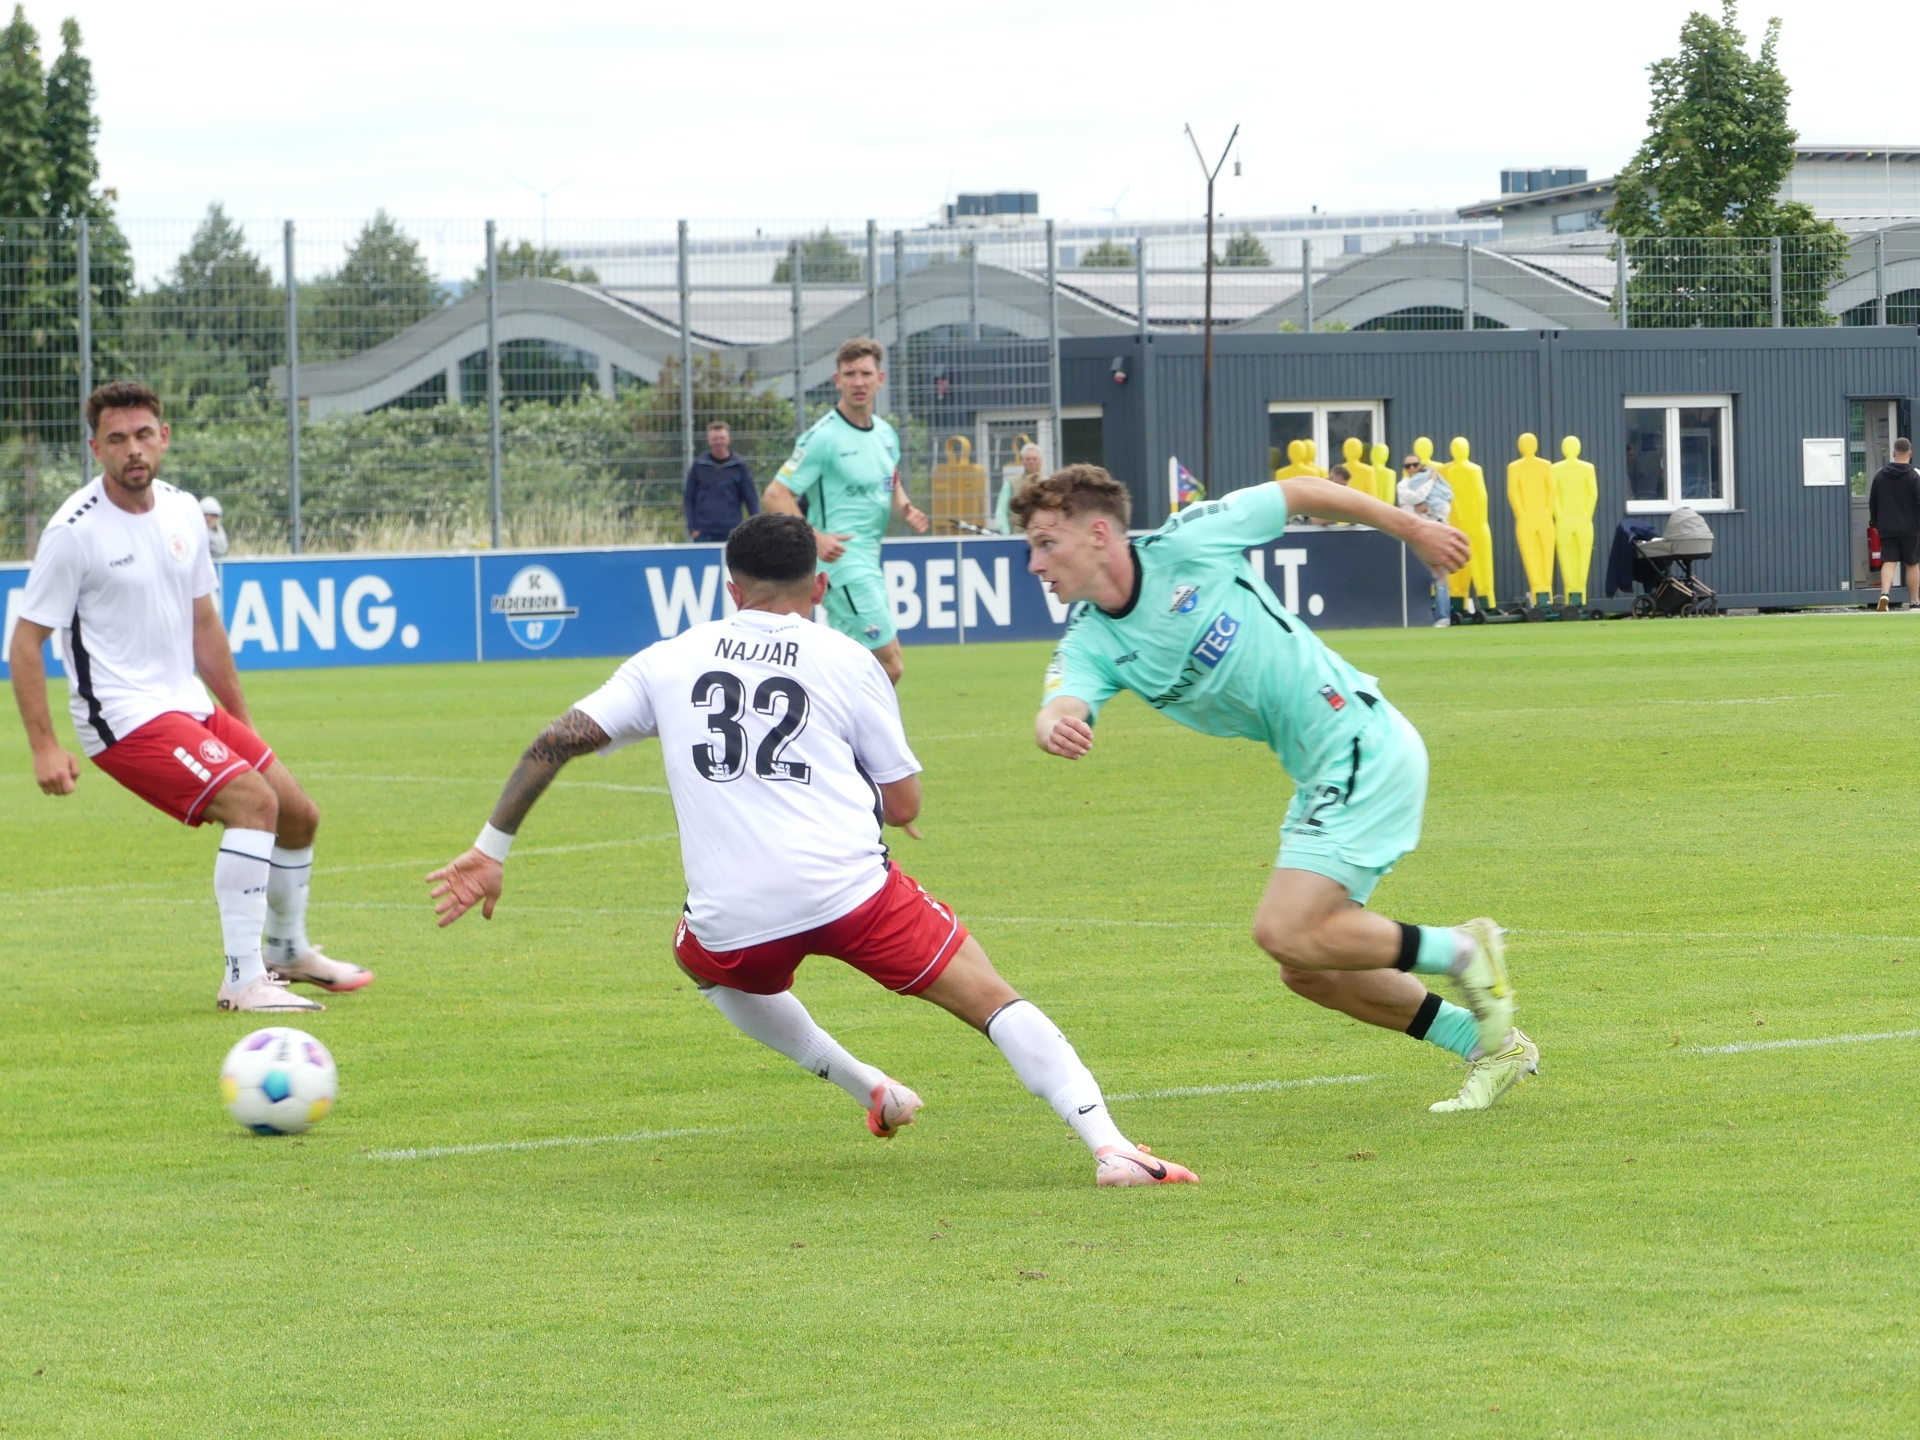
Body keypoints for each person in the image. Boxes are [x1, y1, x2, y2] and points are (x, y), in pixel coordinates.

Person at [426, 512, 1195, 1188]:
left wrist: (490, 850)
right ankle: (1110, 1147)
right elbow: (904, 804)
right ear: (819, 587)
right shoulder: (848, 658)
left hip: (735, 918)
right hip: (853, 896)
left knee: (700, 962)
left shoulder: (668, 659)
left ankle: (868, 1086)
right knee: (993, 1000)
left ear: (731, 588)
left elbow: (556, 740)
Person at [1017, 465, 1538, 1113]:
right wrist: (1054, 726)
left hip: (1359, 741)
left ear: (1098, 534)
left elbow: (1301, 491)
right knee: (1308, 968)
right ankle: (1490, 1045)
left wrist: (1411, 527)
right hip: (1320, 771)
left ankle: (1463, 950)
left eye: (1046, 543)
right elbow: (1062, 701)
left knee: (1282, 930)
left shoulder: (1190, 540)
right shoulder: (1092, 637)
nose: (1035, 564)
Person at [8, 382, 371, 1012]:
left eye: (143, 434)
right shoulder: (74, 531)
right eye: (116, 439)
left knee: (297, 814)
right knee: (254, 804)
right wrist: (44, 746)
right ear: (96, 449)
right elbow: (24, 642)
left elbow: (205, 625)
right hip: (121, 716)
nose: (133, 449)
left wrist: (241, 720)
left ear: (164, 438)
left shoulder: (181, 511)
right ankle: (243, 978)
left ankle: (286, 948)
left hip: (187, 702)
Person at [762, 338, 930, 685]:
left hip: (869, 560)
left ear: (880, 379)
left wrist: (905, 508)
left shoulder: (885, 434)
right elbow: (775, 495)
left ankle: (815, 714)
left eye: (865, 374)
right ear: (837, 380)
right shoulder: (823, 437)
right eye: (850, 374)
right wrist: (815, 538)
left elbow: (890, 479)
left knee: (852, 664)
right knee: (889, 664)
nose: (858, 382)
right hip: (842, 565)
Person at [1398, 454, 1455, 627]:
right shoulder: (1403, 485)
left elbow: (1446, 500)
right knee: (1415, 576)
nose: (1411, 469)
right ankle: (1414, 617)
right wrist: (1430, 482)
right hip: (1414, 535)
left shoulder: (1434, 483)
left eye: (1415, 465)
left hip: (1436, 531)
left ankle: (1443, 617)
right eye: (1407, 466)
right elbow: (1413, 498)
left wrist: (1428, 508)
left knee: (1439, 575)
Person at [683, 420, 760, 542]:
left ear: (728, 439)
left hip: (733, 530)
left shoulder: (739, 466)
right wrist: (692, 528)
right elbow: (689, 498)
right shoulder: (699, 465)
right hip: (704, 532)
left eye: (722, 438)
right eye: (715, 439)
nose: (718, 442)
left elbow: (751, 499)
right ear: (709, 441)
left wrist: (756, 528)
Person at [1869, 437, 1920, 611]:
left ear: (1893, 453)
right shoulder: (1915, 475)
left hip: (1887, 527)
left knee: (1889, 561)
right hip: (1911, 528)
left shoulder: (1880, 474)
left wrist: (1877, 523)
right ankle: (1914, 600)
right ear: (1910, 453)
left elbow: (1873, 502)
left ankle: (1884, 594)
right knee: (1912, 563)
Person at [994, 441, 1044, 535]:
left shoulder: (1046, 483)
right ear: (1023, 462)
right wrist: (1006, 534)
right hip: (1017, 534)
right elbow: (1001, 511)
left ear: (1041, 462)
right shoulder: (1011, 483)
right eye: (1028, 459)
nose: (1031, 462)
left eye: (1034, 459)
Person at [199, 494, 229, 558]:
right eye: (206, 515)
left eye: (213, 515)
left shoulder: (220, 531)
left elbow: (222, 551)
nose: (209, 518)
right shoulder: (195, 534)